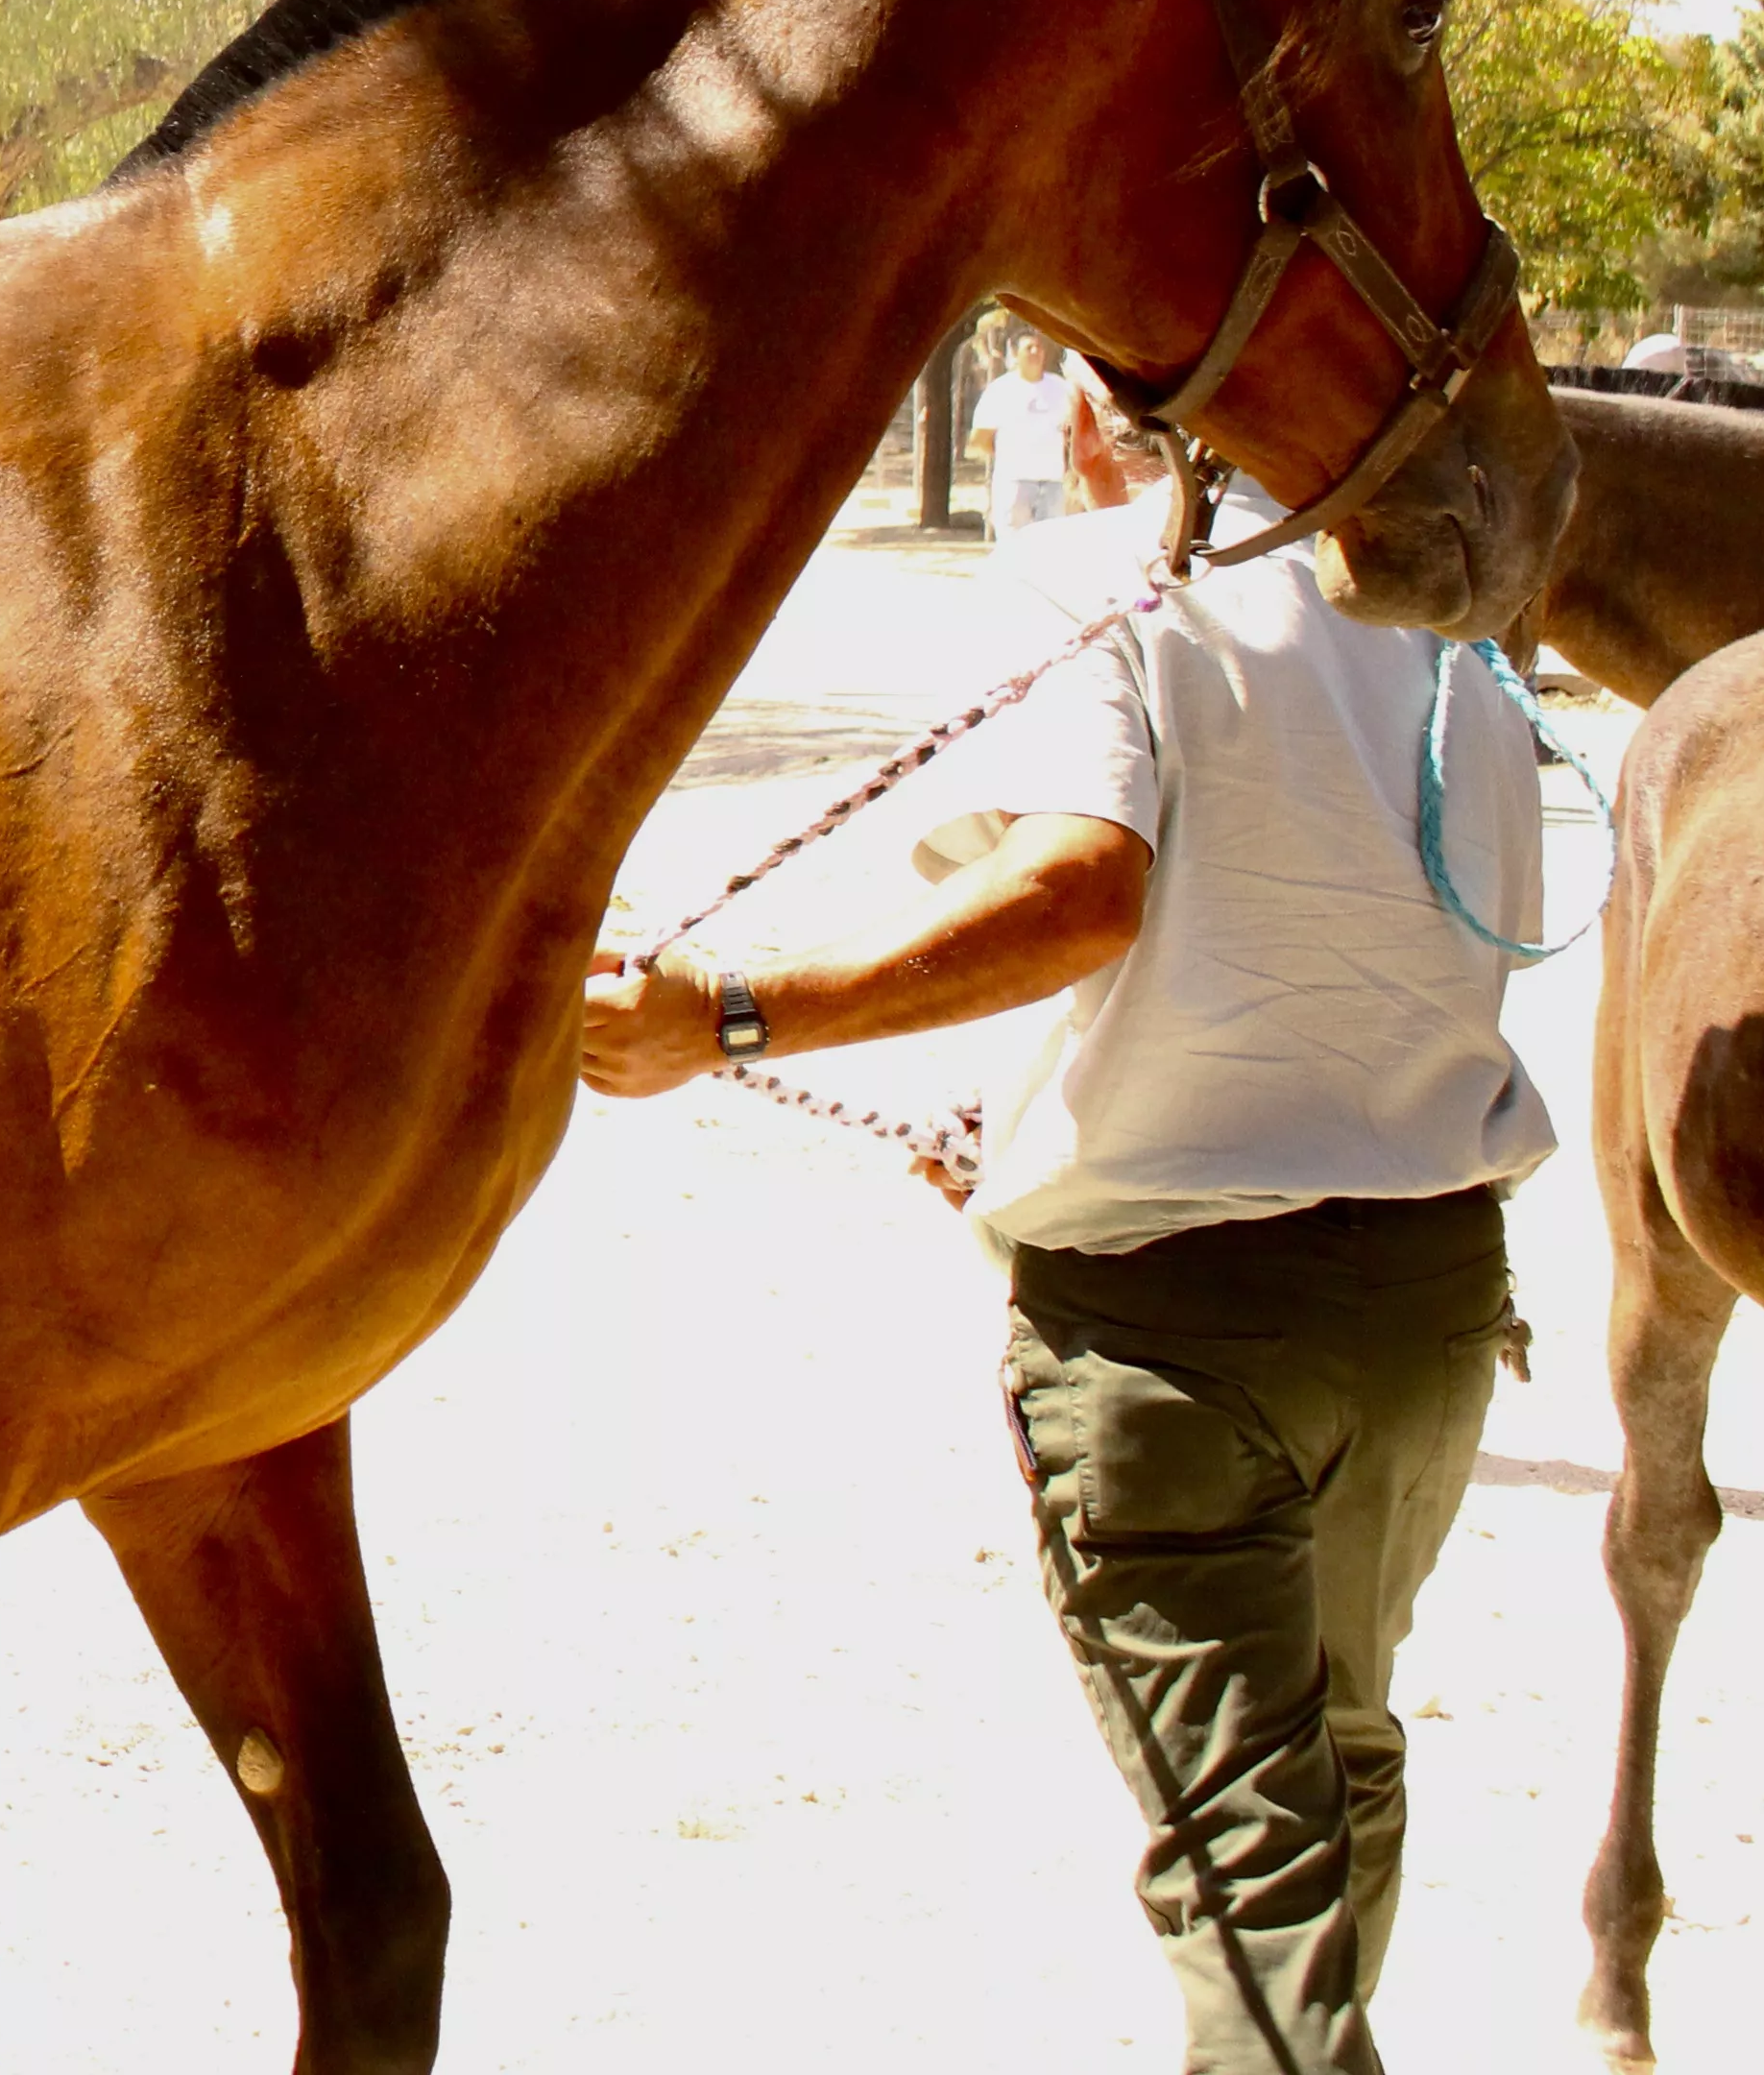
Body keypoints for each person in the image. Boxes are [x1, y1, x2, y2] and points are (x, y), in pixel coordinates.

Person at [579, 463, 1547, 2075]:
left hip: (1171, 1335)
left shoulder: (1099, 574)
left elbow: (1077, 890)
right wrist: (1033, 1111)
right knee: (1330, 1758)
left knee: (1249, 1866)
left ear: (1110, 401)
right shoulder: (1448, 601)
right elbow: (1340, 945)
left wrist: (727, 1015)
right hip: (1423, 1306)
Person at [971, 330, 1078, 535]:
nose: (1035, 352)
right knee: (1013, 545)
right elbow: (979, 438)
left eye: (1039, 347)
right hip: (1014, 483)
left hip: (1053, 483)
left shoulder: (1060, 387)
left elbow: (1073, 431)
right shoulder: (1001, 389)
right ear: (1015, 354)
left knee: (1049, 545)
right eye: (1029, 348)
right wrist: (1008, 455)